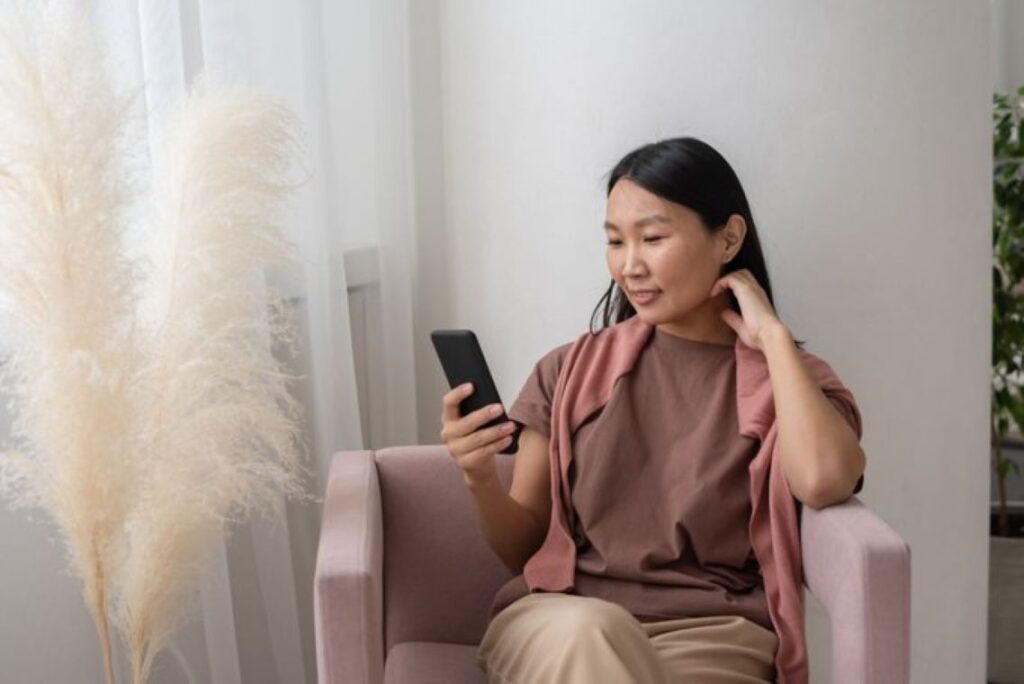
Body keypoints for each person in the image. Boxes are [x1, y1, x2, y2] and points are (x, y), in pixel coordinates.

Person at [438, 136, 865, 684]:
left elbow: (826, 480)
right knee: (589, 635)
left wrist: (775, 341)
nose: (629, 265)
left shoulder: (787, 383)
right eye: (615, 241)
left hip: (716, 636)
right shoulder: (565, 373)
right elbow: (525, 550)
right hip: (562, 619)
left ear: (729, 238)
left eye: (654, 238)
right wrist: (478, 476)